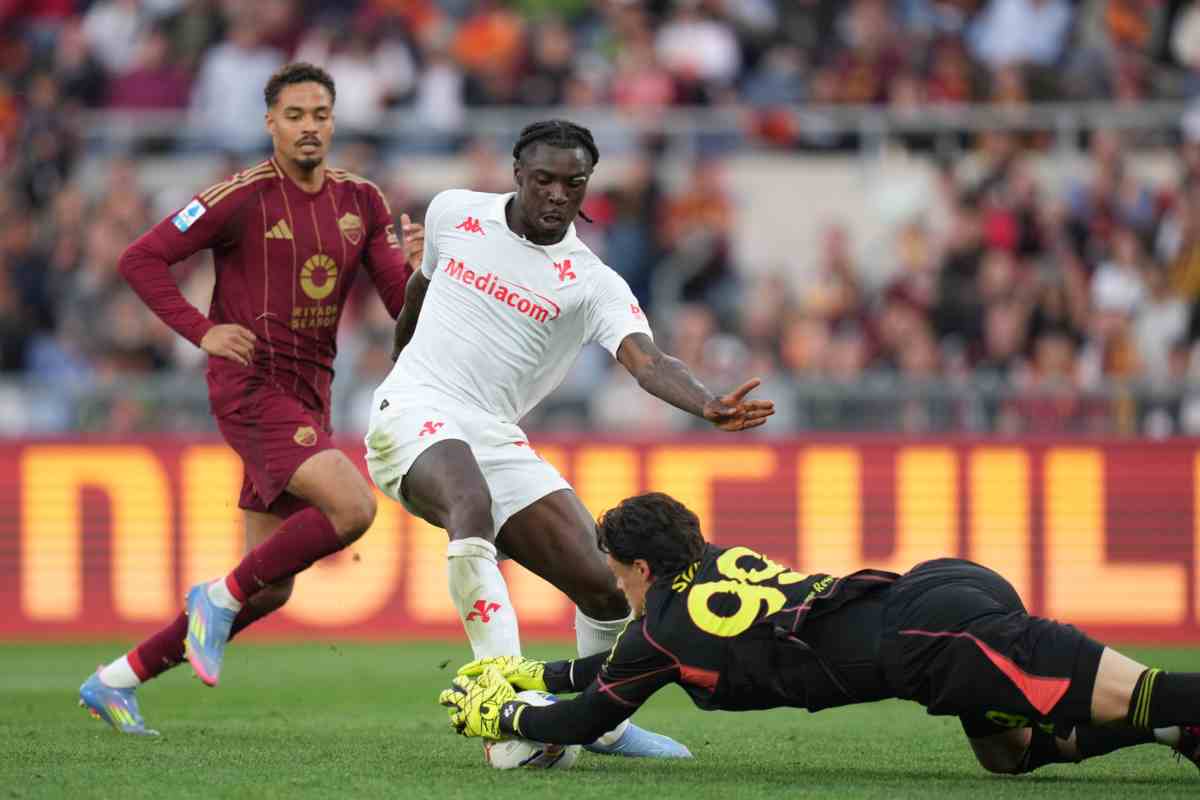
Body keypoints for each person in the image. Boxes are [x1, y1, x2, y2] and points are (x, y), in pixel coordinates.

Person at [365, 120, 774, 758]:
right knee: (469, 503)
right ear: (518, 174)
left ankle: (602, 724)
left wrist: (705, 403)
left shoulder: (591, 282)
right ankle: (500, 706)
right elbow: (422, 284)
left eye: (573, 183)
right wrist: (399, 363)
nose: (558, 194)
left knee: (606, 586)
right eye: (544, 180)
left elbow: (647, 360)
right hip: (413, 406)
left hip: (493, 433)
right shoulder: (454, 212)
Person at [79, 62, 422, 735]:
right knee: (353, 507)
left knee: (269, 588)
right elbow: (140, 259)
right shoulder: (240, 196)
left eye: (319, 115)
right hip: (251, 388)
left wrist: (421, 274)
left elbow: (397, 310)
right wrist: (202, 331)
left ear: (334, 121)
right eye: (294, 116)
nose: (308, 127)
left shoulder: (362, 201)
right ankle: (216, 597)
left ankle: (116, 679)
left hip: (310, 396)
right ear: (271, 124)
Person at [442, 491, 1200, 776]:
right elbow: (612, 674)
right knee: (1015, 753)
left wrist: (504, 716)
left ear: (643, 567)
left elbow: (589, 715)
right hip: (931, 592)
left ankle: (1173, 714)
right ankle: (1174, 732)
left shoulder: (661, 631)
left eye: (620, 575)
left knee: (1146, 689)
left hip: (932, 636)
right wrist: (533, 675)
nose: (618, 589)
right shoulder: (708, 561)